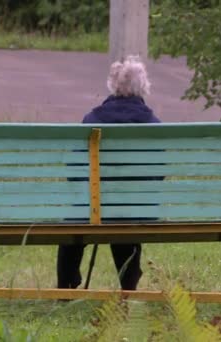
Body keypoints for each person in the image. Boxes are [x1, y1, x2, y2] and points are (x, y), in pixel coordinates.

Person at [57, 55, 162, 291]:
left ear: (113, 85)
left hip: (94, 206)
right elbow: (159, 173)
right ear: (143, 87)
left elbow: (75, 169)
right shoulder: (154, 125)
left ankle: (65, 284)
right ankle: (128, 285)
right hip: (136, 209)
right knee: (126, 222)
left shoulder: (92, 120)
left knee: (75, 224)